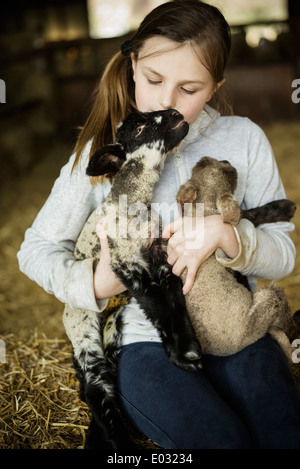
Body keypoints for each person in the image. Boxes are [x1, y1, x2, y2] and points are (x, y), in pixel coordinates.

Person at [17, 0, 300, 449]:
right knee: (221, 441)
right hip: (146, 344)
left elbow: (283, 251)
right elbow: (35, 249)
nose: (166, 101)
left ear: (215, 87)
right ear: (132, 65)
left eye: (189, 89)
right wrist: (97, 282)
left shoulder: (244, 139)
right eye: (153, 80)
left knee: (282, 433)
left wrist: (230, 237)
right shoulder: (102, 153)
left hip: (235, 328)